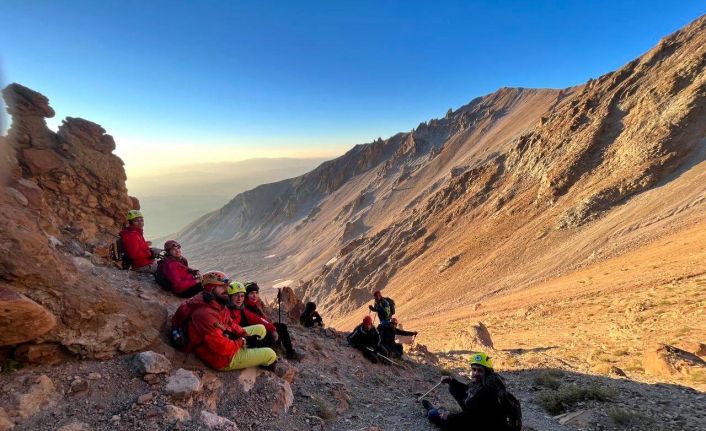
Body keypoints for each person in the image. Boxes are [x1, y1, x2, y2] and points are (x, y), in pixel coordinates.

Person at [185, 271, 277, 371]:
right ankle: (263, 365)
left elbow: (230, 323)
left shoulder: (218, 303)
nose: (226, 289)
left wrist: (244, 334)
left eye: (226, 286)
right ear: (210, 289)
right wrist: (242, 341)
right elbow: (222, 348)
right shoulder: (205, 314)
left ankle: (254, 354)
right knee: (270, 354)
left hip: (226, 338)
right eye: (221, 286)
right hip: (221, 358)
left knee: (261, 329)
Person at [421, 352, 518, 430]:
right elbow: (468, 390)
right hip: (480, 419)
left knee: (433, 414)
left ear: (487, 372)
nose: (475, 373)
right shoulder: (488, 382)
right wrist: (452, 381)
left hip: (482, 425)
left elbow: (472, 417)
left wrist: (449, 416)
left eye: (480, 370)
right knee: (453, 387)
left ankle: (432, 410)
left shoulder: (488, 390)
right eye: (474, 369)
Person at [241, 281, 303, 360]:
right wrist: (273, 329)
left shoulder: (252, 305)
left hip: (258, 333)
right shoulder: (246, 308)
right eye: (251, 293)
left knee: (280, 326)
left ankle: (283, 349)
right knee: (280, 328)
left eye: (256, 293)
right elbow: (259, 320)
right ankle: (289, 353)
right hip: (255, 337)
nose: (254, 295)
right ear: (246, 295)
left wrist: (271, 326)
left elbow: (263, 318)